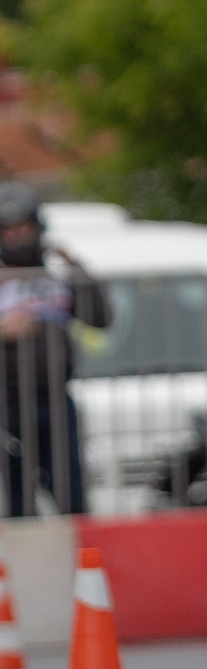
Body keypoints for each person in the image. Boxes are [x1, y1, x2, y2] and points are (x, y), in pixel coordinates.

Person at [0, 184, 110, 516]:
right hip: (8, 403)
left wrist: (75, 268)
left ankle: (77, 548)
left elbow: (100, 318)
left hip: (56, 398)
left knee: (71, 493)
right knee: (19, 500)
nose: (19, 237)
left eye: (24, 228)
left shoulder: (57, 274)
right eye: (9, 230)